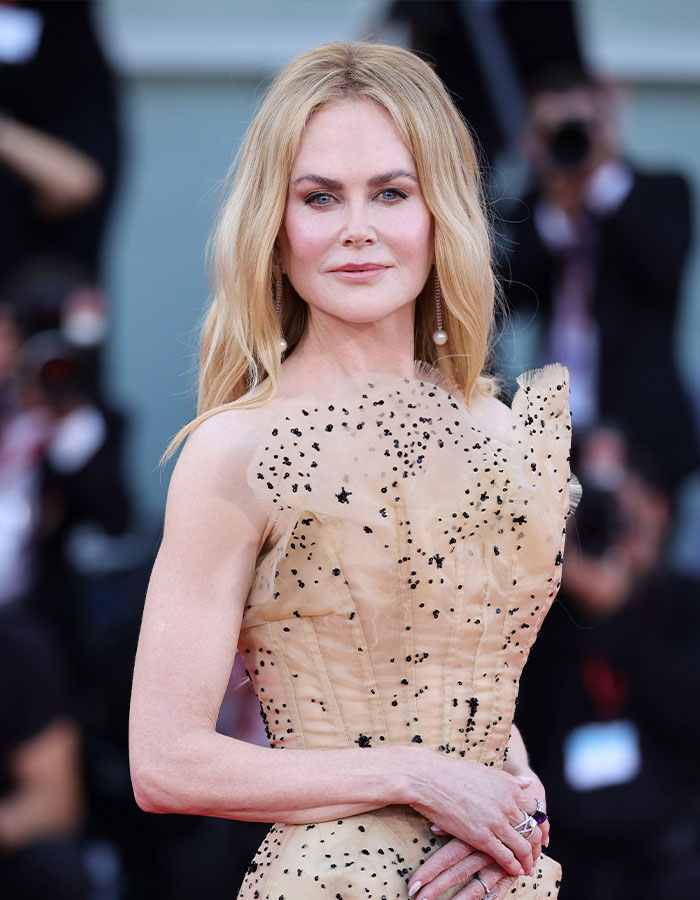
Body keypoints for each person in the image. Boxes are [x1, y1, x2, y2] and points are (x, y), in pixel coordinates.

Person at [129, 42, 576, 900]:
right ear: (276, 227)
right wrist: (415, 776)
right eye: (320, 197)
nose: (357, 228)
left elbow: (477, 696)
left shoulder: (503, 430)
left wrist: (514, 810)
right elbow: (165, 761)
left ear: (439, 212)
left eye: (392, 193)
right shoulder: (237, 451)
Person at [502, 65, 697, 494]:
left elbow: (662, 269)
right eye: (555, 130)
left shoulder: (661, 190)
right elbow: (511, 297)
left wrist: (601, 183)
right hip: (556, 426)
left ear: (607, 124)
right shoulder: (537, 203)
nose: (571, 141)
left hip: (643, 425)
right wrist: (557, 207)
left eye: (581, 126)